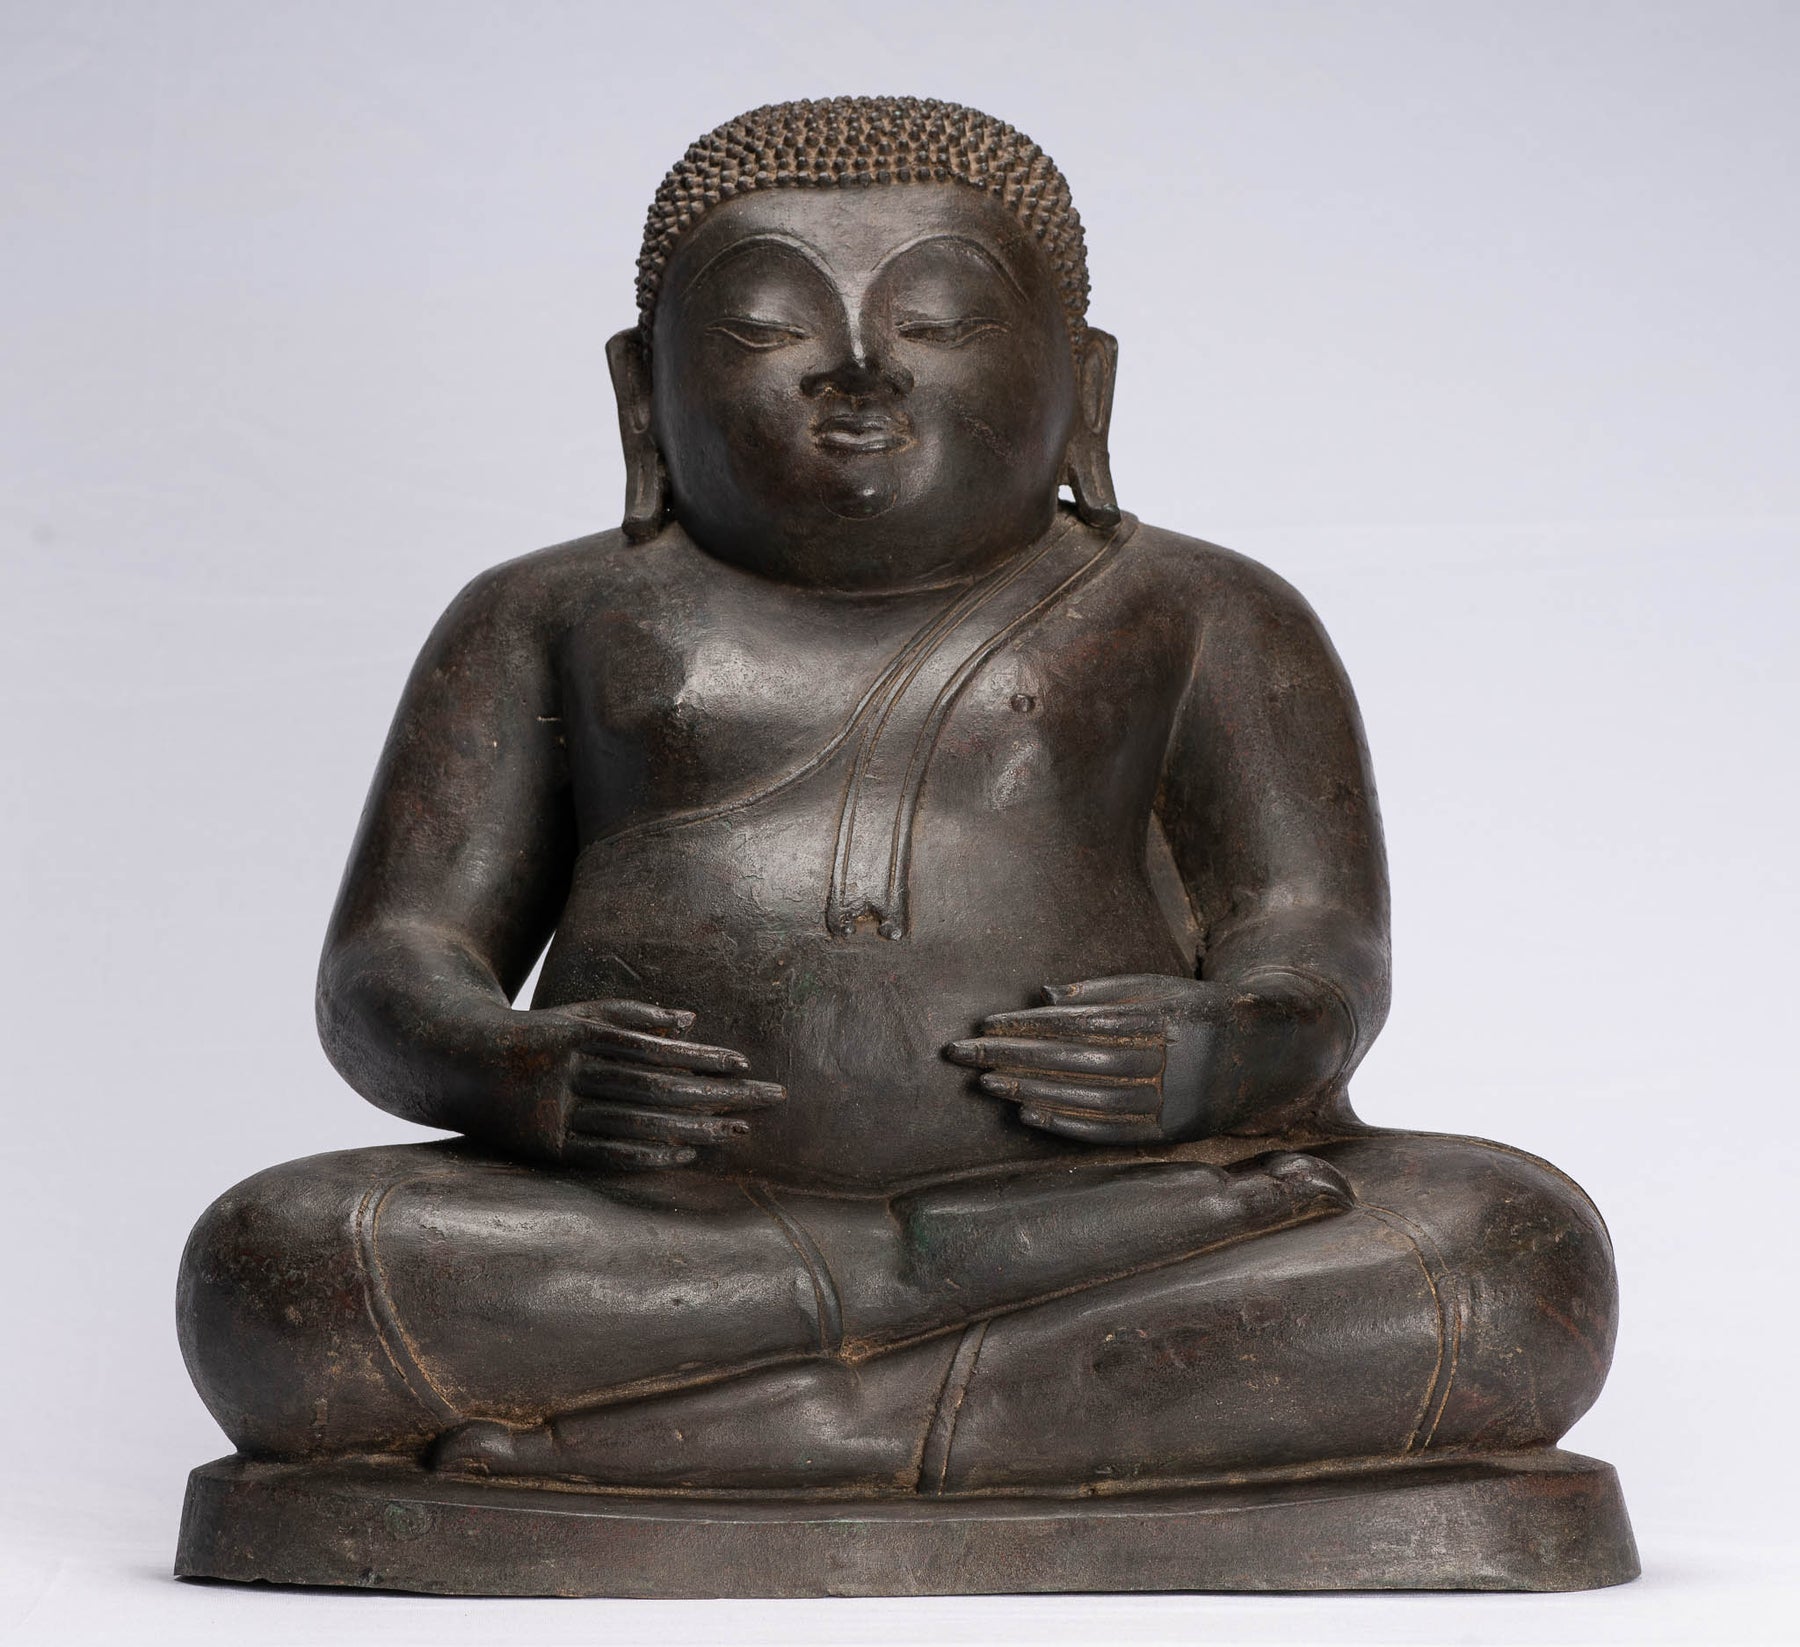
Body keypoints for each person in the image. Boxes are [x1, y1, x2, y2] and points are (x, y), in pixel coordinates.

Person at [178, 97, 1616, 1496]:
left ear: (1086, 387)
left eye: (940, 324)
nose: (859, 373)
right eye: (767, 331)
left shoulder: (1198, 611)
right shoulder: (547, 614)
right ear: (640, 392)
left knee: (1506, 1247)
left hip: (1105, 1206)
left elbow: (1316, 939)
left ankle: (826, 1423)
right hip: (673, 1231)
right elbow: (392, 966)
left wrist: (1230, 1052)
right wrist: (514, 1071)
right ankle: (916, 1312)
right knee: (284, 1263)